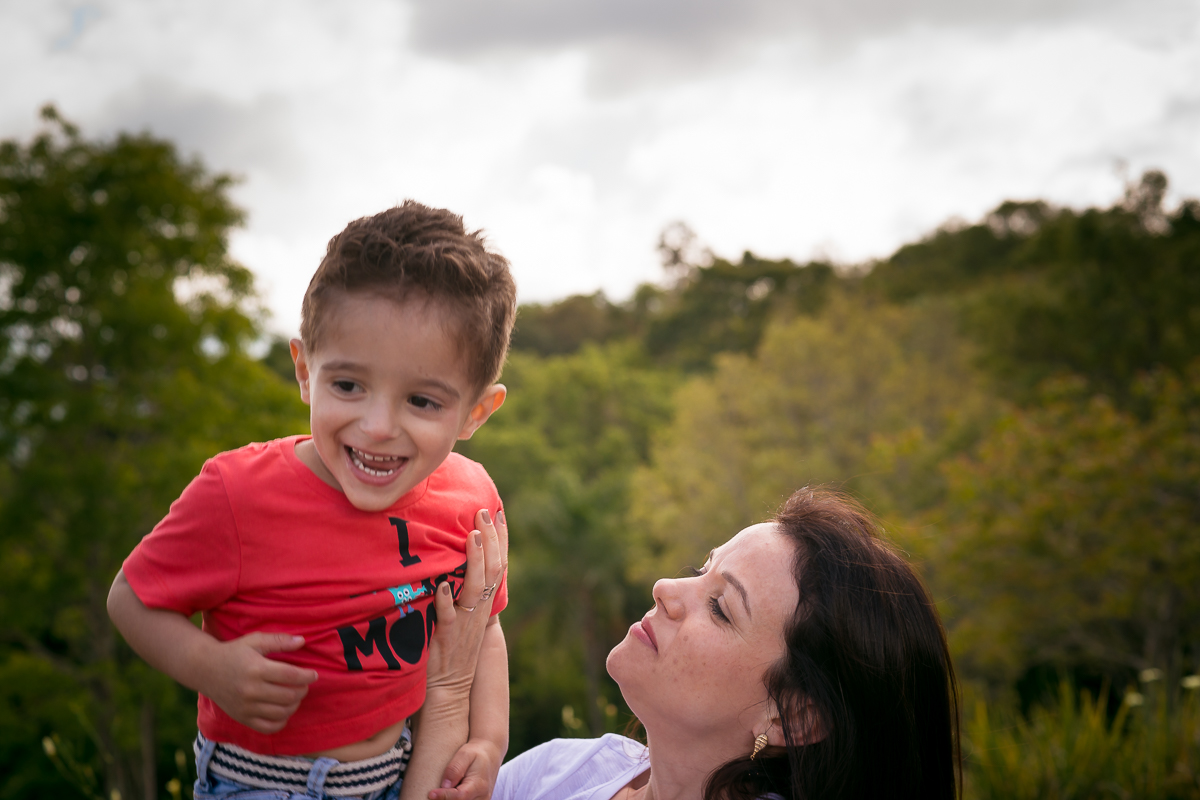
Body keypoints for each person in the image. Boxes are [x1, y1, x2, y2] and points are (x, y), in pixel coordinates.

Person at [106, 202, 517, 800]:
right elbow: (130, 599)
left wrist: (488, 740)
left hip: (394, 773)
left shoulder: (469, 499)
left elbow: (485, 628)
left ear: (476, 412)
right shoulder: (239, 493)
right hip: (261, 783)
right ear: (304, 370)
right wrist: (211, 668)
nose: (378, 426)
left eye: (422, 401)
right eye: (348, 385)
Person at [486, 486, 960, 800]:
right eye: (701, 570)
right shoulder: (562, 771)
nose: (665, 588)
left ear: (792, 718)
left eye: (720, 608)